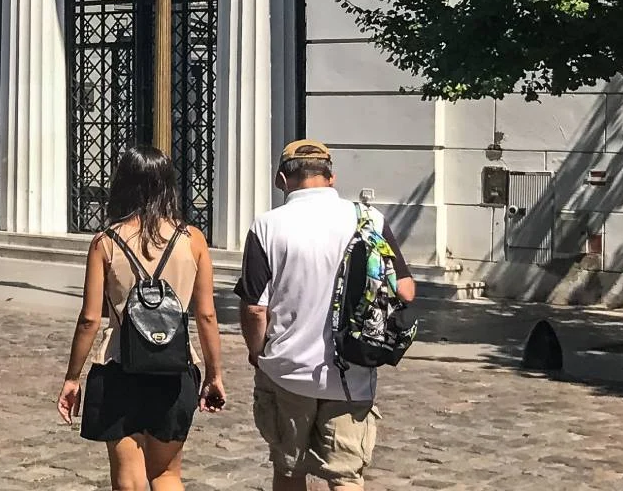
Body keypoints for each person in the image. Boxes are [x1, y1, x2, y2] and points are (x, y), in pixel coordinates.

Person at [237, 140, 416, 491]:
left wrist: (257, 354)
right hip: (352, 371)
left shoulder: (268, 226)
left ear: (280, 179)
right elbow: (405, 290)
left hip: (286, 369)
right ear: (331, 177)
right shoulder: (369, 219)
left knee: (289, 470)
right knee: (346, 476)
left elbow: (255, 308)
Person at [58, 146, 225, 491]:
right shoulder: (192, 240)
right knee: (166, 474)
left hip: (119, 366)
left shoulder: (105, 242)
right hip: (174, 368)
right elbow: (206, 314)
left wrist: (72, 377)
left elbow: (90, 318)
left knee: (128, 477)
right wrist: (214, 374)